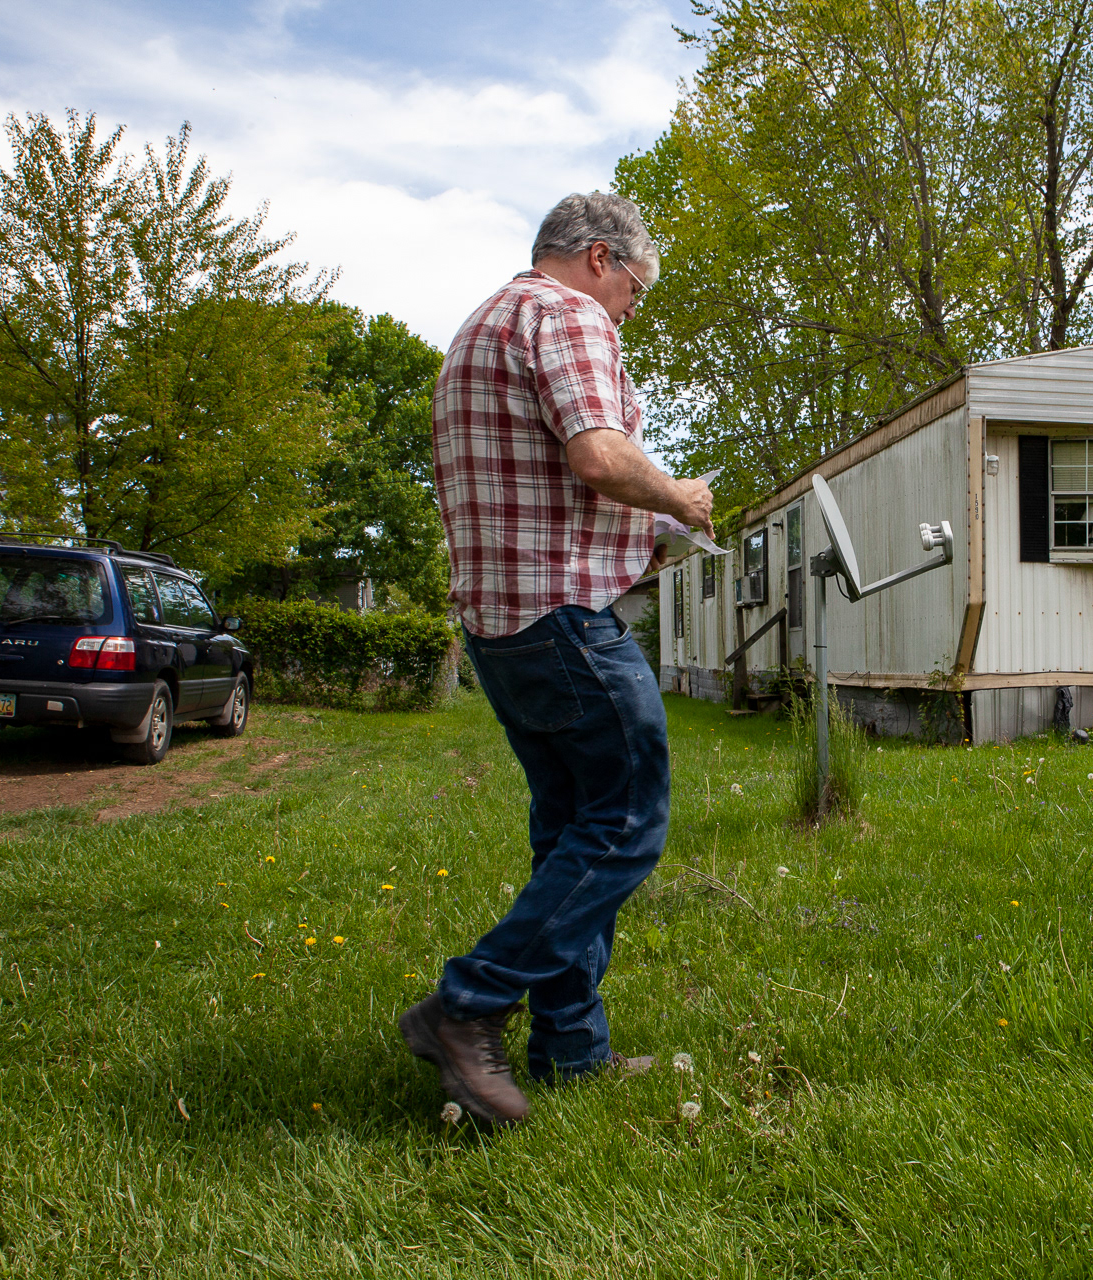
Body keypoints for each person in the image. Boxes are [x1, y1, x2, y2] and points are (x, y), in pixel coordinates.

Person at [400, 192, 713, 1128]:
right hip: (566, 622)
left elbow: (546, 488)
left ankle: (572, 1052)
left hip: (504, 627)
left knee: (571, 833)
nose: (630, 313)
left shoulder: (482, 325)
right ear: (602, 259)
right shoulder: (566, 312)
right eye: (636, 294)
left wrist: (647, 535)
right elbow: (600, 458)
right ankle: (465, 1007)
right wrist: (683, 498)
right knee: (625, 824)